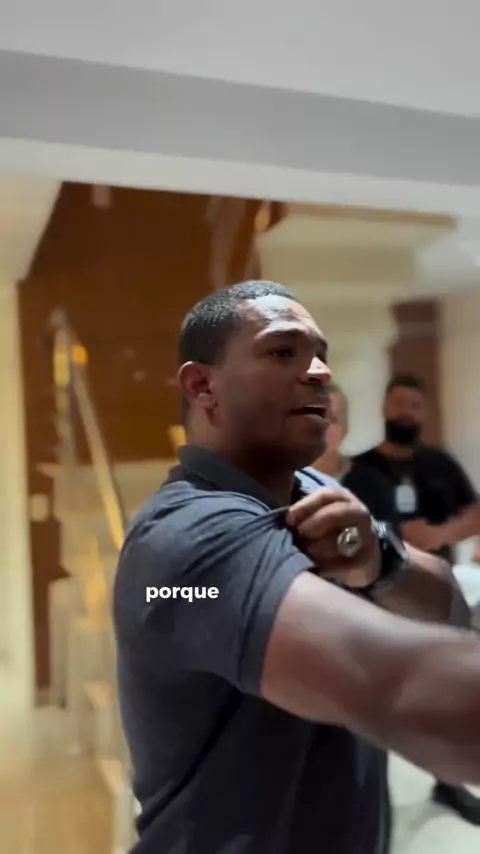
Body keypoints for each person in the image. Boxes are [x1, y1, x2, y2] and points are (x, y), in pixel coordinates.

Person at [114, 281, 480, 854]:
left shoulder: (317, 489)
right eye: (283, 351)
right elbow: (403, 687)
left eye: (321, 355)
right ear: (203, 386)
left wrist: (379, 561)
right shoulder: (188, 541)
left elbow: (448, 612)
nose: (319, 372)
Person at [355, 371, 480, 824]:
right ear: (385, 408)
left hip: (436, 597)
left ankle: (448, 782)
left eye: (415, 405)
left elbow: (475, 512)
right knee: (375, 697)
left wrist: (442, 534)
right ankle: (366, 795)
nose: (406, 412)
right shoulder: (361, 470)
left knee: (443, 694)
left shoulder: (440, 464)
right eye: (399, 403)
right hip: (376, 599)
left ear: (423, 413)